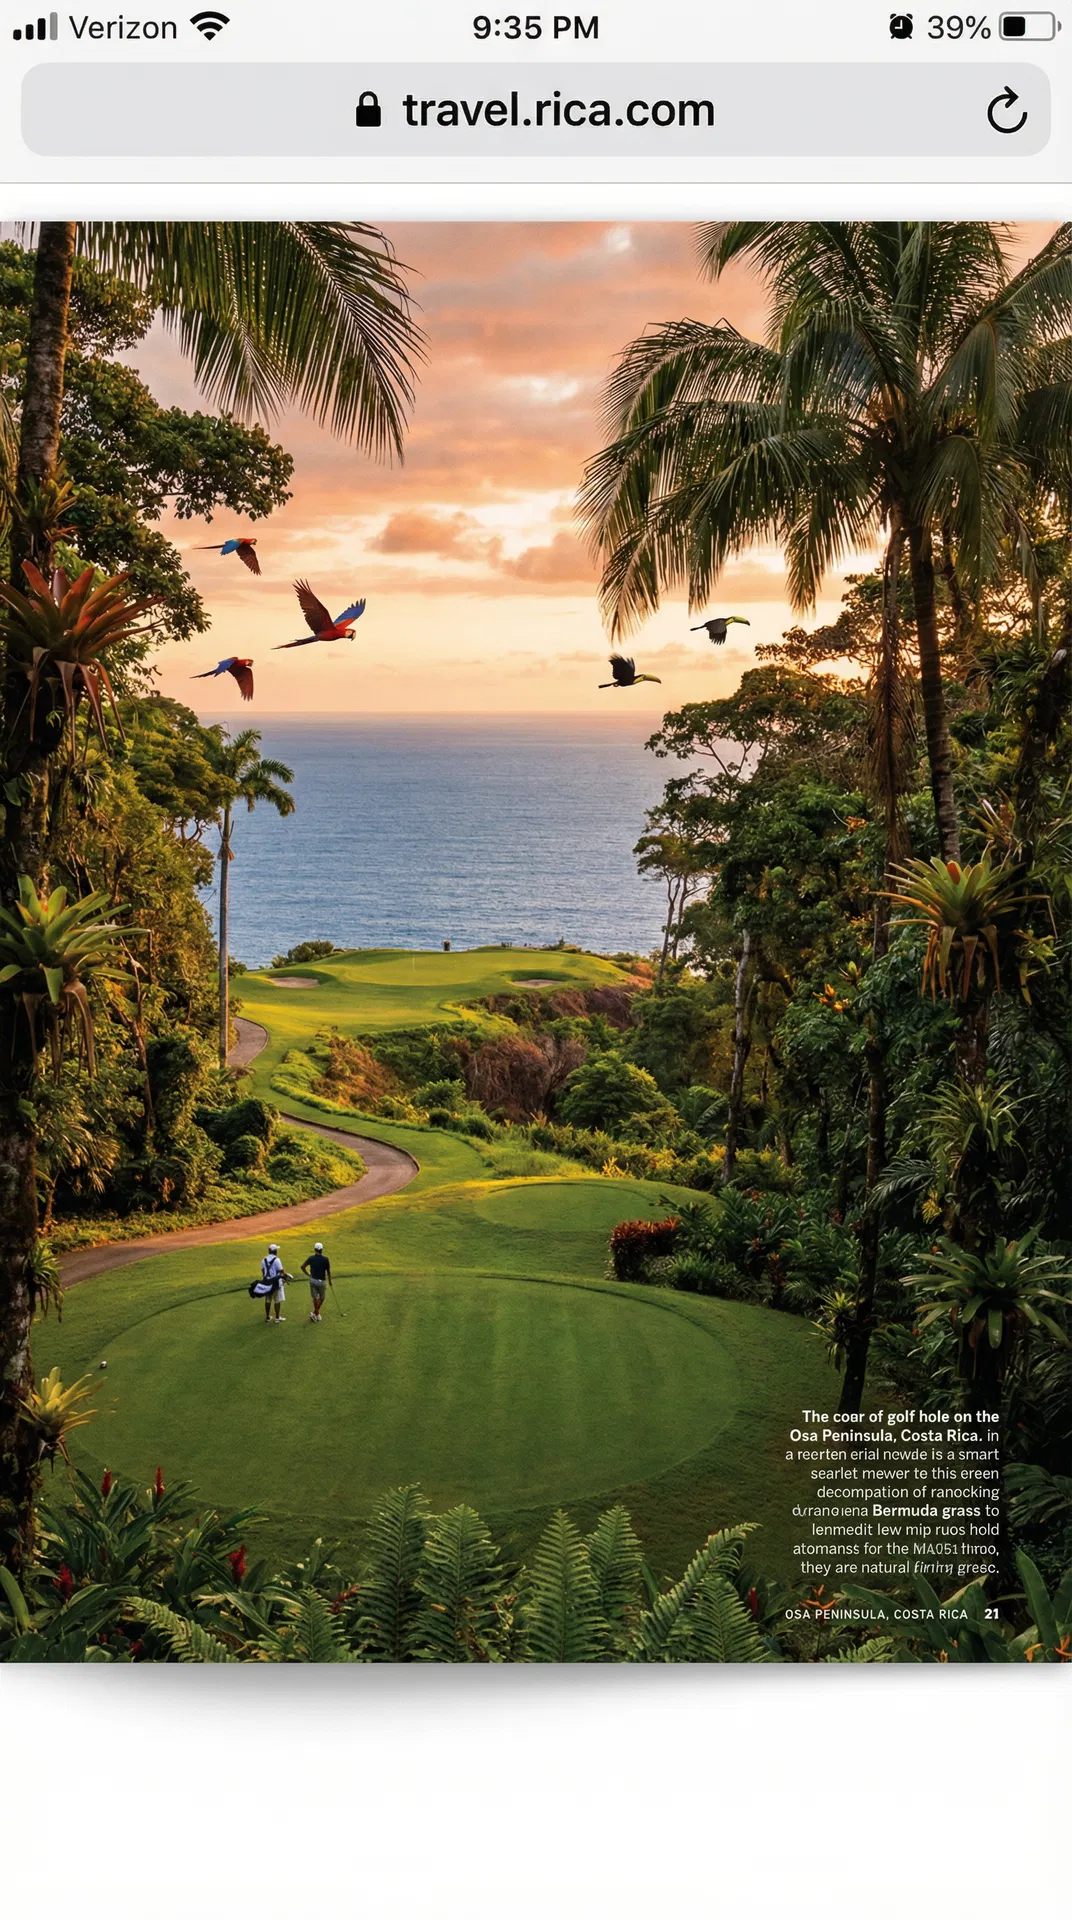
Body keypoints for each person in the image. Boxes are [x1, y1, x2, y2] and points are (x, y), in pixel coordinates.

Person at [258, 1243, 290, 1324]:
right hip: (275, 1283)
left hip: (267, 1282)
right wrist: (286, 1277)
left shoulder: (264, 1260)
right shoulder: (277, 1260)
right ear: (275, 1251)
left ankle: (268, 1317)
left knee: (268, 1299)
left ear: (269, 1251)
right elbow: (282, 1271)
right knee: (277, 1300)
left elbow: (263, 1271)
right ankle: (277, 1318)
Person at [301, 1241, 332, 1322]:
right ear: (321, 1250)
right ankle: (315, 1313)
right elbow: (328, 1271)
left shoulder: (311, 1258)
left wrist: (308, 1274)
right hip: (321, 1282)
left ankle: (316, 1314)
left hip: (313, 1281)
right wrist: (330, 1281)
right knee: (322, 1298)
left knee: (315, 1298)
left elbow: (302, 1267)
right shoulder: (325, 1259)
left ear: (315, 1249)